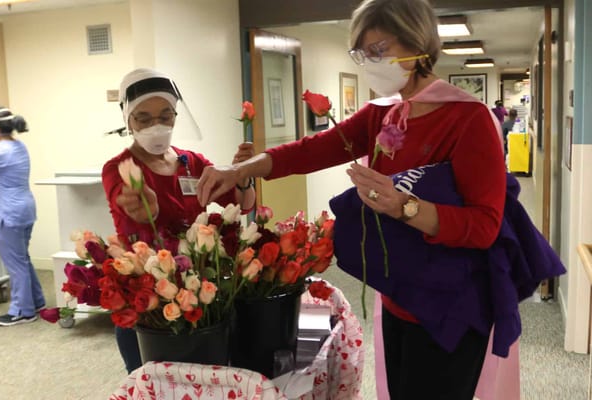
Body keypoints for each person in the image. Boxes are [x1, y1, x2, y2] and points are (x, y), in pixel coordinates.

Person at [197, 0, 508, 398]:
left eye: (379, 51)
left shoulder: (468, 119)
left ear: (419, 43)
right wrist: (241, 171)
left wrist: (403, 206)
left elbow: (484, 228)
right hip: (401, 296)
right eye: (363, 53)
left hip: (451, 305)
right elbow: (313, 149)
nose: (370, 63)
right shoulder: (383, 113)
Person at [102, 68, 256, 373]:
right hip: (148, 302)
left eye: (165, 115)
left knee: (202, 382)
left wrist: (242, 176)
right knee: (153, 385)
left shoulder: (192, 162)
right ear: (128, 120)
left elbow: (242, 204)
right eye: (143, 118)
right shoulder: (119, 168)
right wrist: (143, 204)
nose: (156, 126)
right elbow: (130, 204)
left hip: (194, 294)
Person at [0, 106, 46, 326]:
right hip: (24, 210)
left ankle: (22, 311)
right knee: (22, 259)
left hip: (8, 214)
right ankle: (37, 301)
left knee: (16, 264)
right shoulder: (18, 146)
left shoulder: (0, 152)